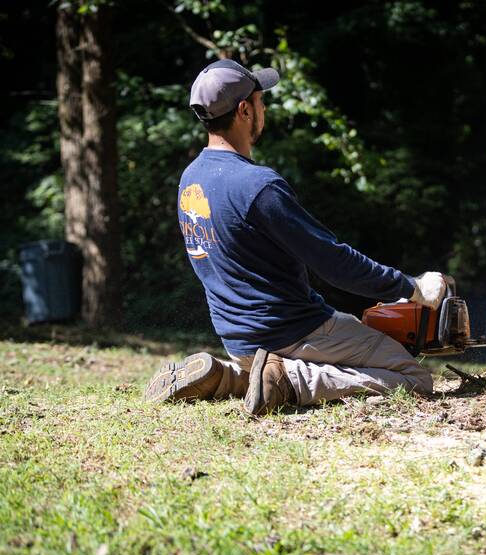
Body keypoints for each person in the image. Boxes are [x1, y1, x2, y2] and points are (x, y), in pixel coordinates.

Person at [144, 59, 446, 415]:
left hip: (237, 339)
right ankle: (289, 379)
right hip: (294, 332)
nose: (264, 108)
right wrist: (411, 287)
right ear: (244, 110)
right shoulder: (258, 186)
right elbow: (334, 263)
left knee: (352, 334)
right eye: (260, 100)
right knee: (414, 377)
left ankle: (235, 377)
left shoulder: (190, 180)